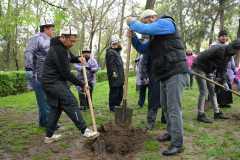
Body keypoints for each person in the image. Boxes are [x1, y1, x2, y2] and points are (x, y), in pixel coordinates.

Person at [127, 9, 188, 156]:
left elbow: (145, 28)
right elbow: (143, 48)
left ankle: (178, 143)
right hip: (164, 74)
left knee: (173, 110)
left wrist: (131, 23)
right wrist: (134, 38)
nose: (145, 26)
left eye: (145, 22)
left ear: (153, 17)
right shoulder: (155, 36)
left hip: (175, 72)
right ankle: (170, 134)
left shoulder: (166, 23)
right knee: (166, 108)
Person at [41, 26, 99, 143]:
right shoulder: (57, 49)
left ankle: (49, 136)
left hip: (52, 82)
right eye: (71, 41)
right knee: (71, 102)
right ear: (63, 37)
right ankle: (84, 131)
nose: (72, 44)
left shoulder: (64, 47)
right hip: (53, 82)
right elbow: (66, 73)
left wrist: (78, 58)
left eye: (74, 41)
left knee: (56, 107)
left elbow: (69, 57)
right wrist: (82, 84)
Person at [189, 38, 240, 124]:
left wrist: (224, 81)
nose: (239, 52)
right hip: (200, 68)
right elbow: (201, 55)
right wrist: (193, 67)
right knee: (203, 91)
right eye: (239, 50)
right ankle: (200, 115)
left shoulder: (228, 55)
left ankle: (217, 113)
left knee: (213, 91)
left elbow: (223, 69)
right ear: (235, 48)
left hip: (209, 71)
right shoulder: (219, 49)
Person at [24, 17, 59, 129]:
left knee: (43, 98)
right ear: (45, 28)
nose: (53, 31)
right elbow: (28, 52)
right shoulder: (36, 38)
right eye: (52, 29)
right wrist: (29, 69)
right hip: (37, 75)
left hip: (46, 74)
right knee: (44, 99)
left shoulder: (48, 40)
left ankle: (42, 122)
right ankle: (49, 122)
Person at [139, 35, 166, 130]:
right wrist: (144, 74)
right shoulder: (149, 45)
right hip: (153, 75)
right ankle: (150, 120)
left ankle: (165, 118)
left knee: (166, 97)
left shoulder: (165, 44)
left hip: (166, 74)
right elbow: (144, 62)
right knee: (153, 97)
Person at [210, 30, 238, 108]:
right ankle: (213, 103)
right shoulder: (213, 45)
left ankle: (225, 102)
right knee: (215, 85)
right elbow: (210, 57)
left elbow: (231, 59)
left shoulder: (229, 46)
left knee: (226, 84)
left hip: (227, 69)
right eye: (222, 36)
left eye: (225, 36)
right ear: (219, 37)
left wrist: (234, 68)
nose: (224, 37)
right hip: (216, 68)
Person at [74, 46, 99, 111]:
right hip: (81, 78)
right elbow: (75, 66)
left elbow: (97, 67)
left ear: (90, 53)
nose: (86, 54)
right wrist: (82, 69)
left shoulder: (93, 61)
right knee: (81, 91)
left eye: (88, 52)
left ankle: (89, 104)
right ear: (83, 53)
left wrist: (93, 69)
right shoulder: (79, 59)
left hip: (90, 79)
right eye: (84, 52)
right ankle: (82, 105)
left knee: (89, 91)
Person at [106, 34, 124, 112]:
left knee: (120, 93)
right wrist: (113, 73)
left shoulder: (116, 52)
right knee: (114, 92)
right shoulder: (110, 52)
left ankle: (117, 105)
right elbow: (110, 64)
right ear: (117, 42)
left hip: (119, 77)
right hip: (115, 77)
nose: (120, 43)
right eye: (120, 42)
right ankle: (113, 106)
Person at [134, 35, 149, 109]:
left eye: (143, 40)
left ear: (147, 39)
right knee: (142, 90)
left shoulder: (150, 50)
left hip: (149, 75)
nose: (141, 42)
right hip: (142, 75)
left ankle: (151, 104)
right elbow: (140, 57)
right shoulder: (143, 52)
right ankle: (140, 104)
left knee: (151, 91)